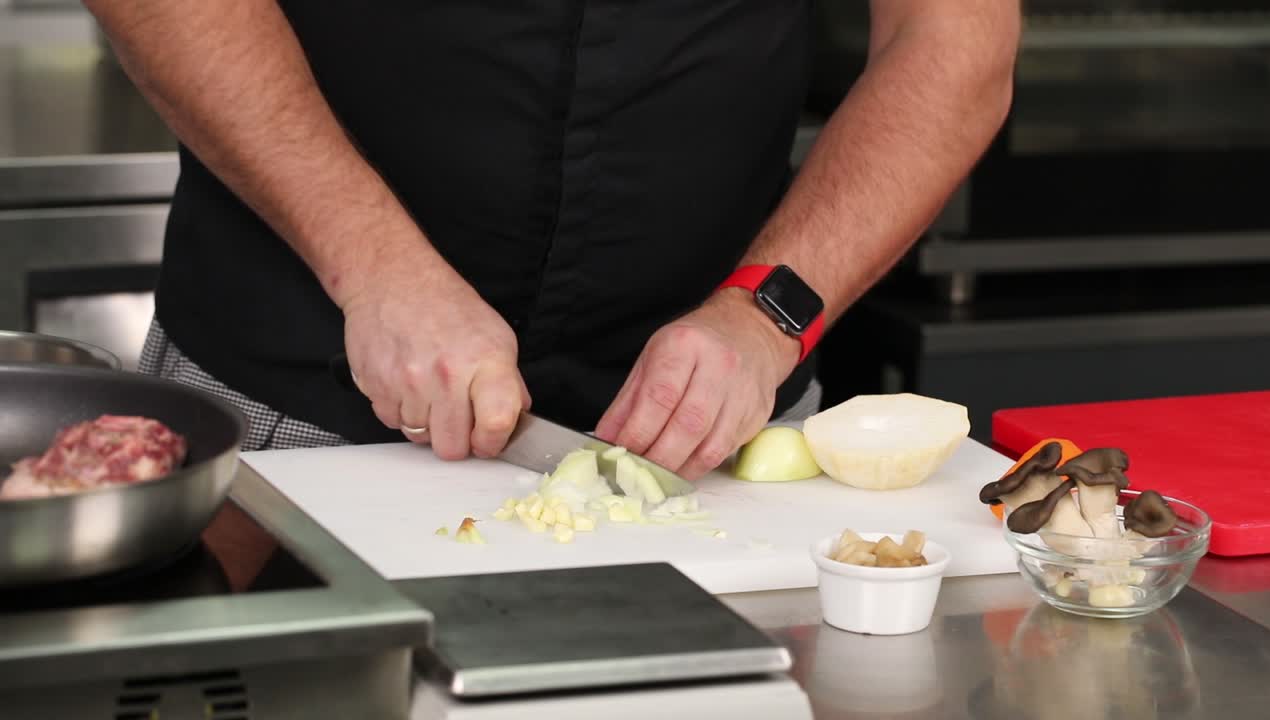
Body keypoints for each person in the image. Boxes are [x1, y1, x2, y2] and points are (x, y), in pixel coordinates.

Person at [87, 1, 1019, 480]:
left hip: (721, 424)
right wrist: (371, 259)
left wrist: (769, 312)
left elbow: (955, 41)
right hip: (285, 394)